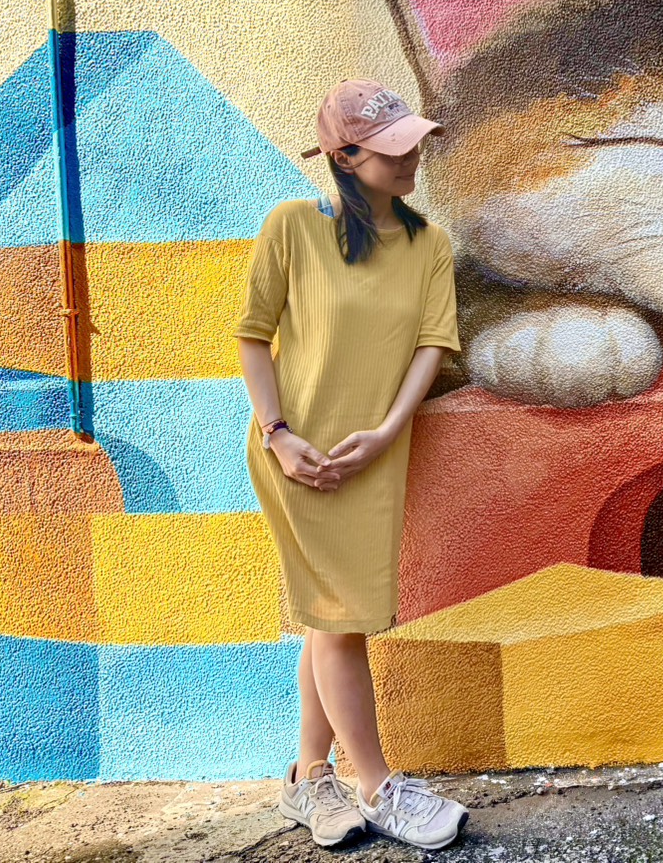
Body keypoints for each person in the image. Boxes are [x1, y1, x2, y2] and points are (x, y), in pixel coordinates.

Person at [236, 79, 466, 851]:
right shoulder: (293, 227)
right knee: (342, 622)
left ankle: (309, 778)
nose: (411, 161)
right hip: (297, 455)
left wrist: (387, 432)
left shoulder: (428, 245)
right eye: (393, 150)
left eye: (414, 144)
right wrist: (276, 433)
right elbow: (252, 338)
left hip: (373, 457)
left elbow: (433, 345)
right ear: (344, 155)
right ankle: (378, 786)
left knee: (330, 620)